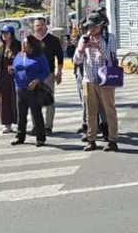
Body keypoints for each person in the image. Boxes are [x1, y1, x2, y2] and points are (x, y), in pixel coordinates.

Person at [73, 13, 119, 152]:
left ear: (100, 26)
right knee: (90, 112)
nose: (91, 29)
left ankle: (112, 139)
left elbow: (111, 58)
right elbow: (76, 60)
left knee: (109, 110)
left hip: (105, 78)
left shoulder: (109, 38)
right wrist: (81, 49)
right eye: (89, 26)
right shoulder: (84, 38)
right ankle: (91, 139)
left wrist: (99, 46)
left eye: (94, 26)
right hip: (89, 79)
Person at [11, 35, 50, 147]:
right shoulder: (19, 56)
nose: (24, 45)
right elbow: (15, 68)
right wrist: (12, 71)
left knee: (36, 113)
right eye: (23, 43)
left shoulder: (39, 56)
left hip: (33, 89)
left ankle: (40, 138)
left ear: (32, 45)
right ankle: (20, 136)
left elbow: (46, 71)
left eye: (26, 43)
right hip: (20, 88)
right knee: (21, 114)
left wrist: (36, 81)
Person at [31, 17, 65, 137]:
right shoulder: (29, 40)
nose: (39, 27)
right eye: (37, 25)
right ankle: (36, 126)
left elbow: (60, 57)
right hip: (33, 75)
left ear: (46, 26)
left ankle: (48, 126)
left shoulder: (53, 40)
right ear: (33, 27)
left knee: (49, 100)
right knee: (34, 101)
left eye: (42, 25)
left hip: (48, 74)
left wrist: (59, 73)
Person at [0, 24, 20, 134]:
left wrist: (12, 58)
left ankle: (19, 123)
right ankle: (7, 124)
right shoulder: (0, 47)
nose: (5, 35)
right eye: (3, 33)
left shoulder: (17, 45)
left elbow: (21, 59)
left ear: (11, 34)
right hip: (2, 78)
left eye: (7, 33)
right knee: (3, 101)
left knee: (15, 100)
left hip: (14, 77)